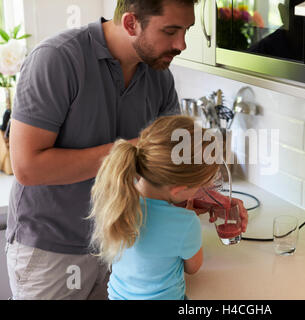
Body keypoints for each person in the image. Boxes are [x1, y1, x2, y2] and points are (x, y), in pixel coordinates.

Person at [6, 0, 248, 300]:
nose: (182, 44)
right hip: (54, 250)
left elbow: (171, 165)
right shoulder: (57, 60)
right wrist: (134, 148)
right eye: (171, 31)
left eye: (186, 30)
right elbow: (28, 168)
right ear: (132, 23)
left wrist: (209, 197)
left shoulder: (160, 76)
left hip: (125, 245)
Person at [89, 115, 223, 300]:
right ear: (178, 190)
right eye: (199, 186)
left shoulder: (117, 200)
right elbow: (193, 268)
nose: (200, 191)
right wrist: (185, 219)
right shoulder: (186, 223)